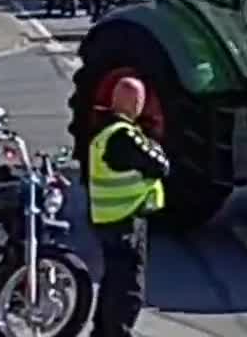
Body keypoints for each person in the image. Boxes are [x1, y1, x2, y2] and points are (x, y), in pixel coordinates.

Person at [87, 77, 169, 337]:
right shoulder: (124, 137)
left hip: (107, 218)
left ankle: (102, 331)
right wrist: (154, 145)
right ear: (136, 103)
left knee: (112, 282)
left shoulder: (103, 132)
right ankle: (118, 333)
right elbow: (160, 165)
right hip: (125, 220)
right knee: (128, 287)